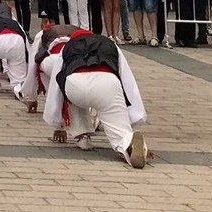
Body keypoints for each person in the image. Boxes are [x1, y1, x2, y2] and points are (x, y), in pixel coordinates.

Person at [40, 31, 149, 169]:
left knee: (69, 91)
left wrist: (58, 124)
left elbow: (56, 82)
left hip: (75, 83)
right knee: (119, 131)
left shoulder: (68, 46)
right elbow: (127, 79)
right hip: (106, 82)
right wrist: (133, 115)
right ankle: (127, 144)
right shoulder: (111, 44)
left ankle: (82, 136)